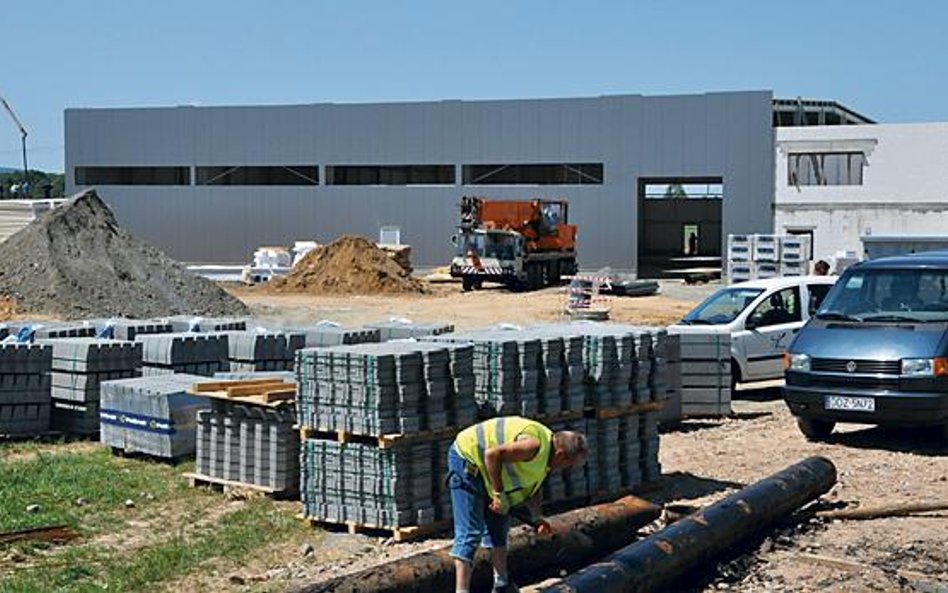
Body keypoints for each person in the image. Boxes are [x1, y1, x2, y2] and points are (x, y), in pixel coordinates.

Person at [447, 417, 588, 593]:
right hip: (468, 459)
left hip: (489, 469)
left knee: (499, 525)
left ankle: (501, 584)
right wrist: (499, 494)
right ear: (561, 455)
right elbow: (492, 454)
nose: (566, 469)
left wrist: (537, 518)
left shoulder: (547, 457)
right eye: (569, 465)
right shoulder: (533, 446)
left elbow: (534, 488)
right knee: (470, 531)